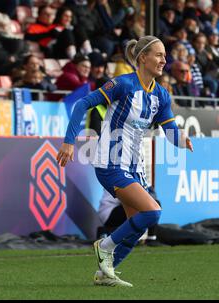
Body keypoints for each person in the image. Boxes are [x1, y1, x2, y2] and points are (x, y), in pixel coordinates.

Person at [56, 35, 194, 287]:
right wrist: (68, 141)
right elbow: (82, 104)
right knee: (153, 212)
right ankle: (105, 245)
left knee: (138, 225)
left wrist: (181, 138)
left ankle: (104, 274)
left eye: (165, 55)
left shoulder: (161, 96)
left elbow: (170, 132)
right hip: (110, 164)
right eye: (159, 54)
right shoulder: (123, 84)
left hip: (134, 167)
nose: (164, 59)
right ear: (143, 58)